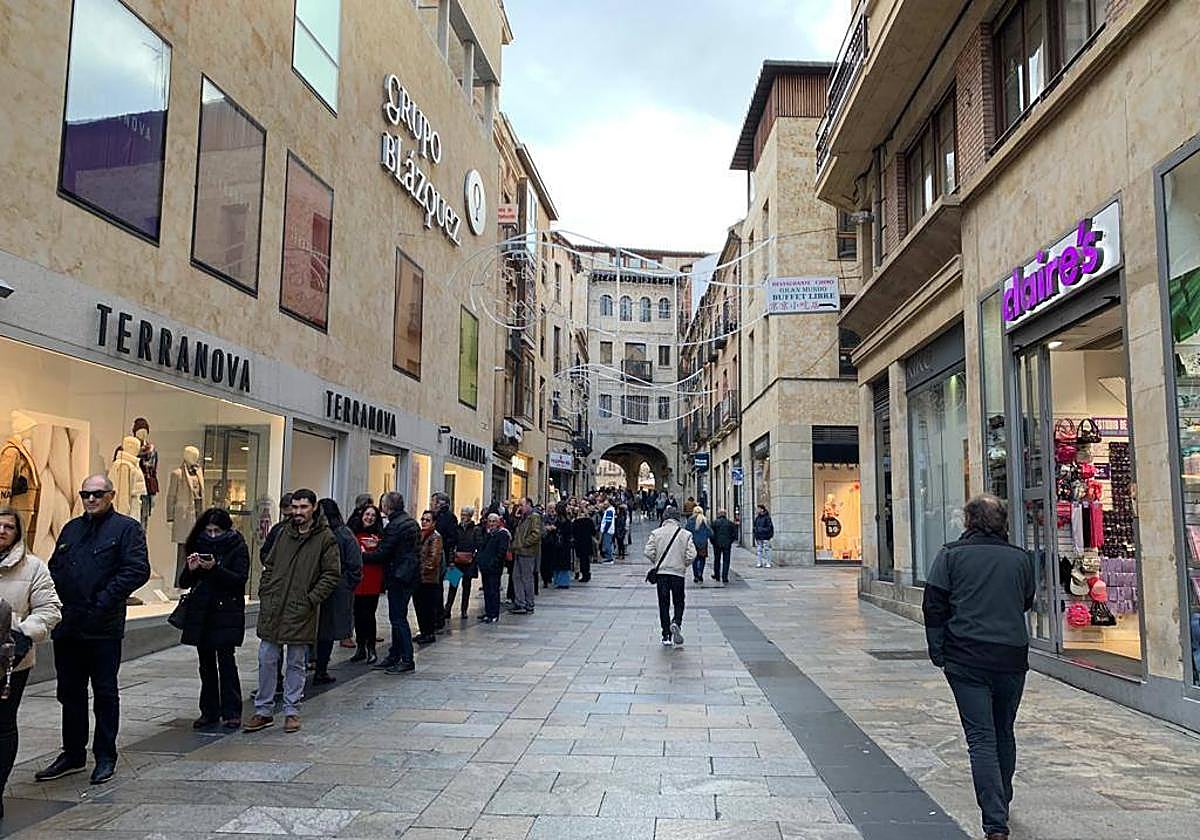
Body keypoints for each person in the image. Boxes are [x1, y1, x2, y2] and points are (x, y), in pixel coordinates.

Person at [923, 494, 1034, 840]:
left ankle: (995, 821)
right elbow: (1026, 601)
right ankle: (1002, 798)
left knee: (981, 738)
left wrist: (939, 651)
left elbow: (933, 607)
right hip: (1011, 657)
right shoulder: (1020, 559)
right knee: (1004, 731)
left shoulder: (951, 556)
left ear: (969, 521)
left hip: (966, 658)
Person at [38, 475, 149, 786]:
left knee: (104, 692)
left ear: (110, 495)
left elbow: (136, 569)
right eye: (85, 494)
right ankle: (73, 753)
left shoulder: (126, 528)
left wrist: (103, 601)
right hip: (69, 626)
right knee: (70, 692)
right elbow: (55, 567)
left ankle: (105, 754)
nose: (90, 499)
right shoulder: (72, 528)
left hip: (102, 627)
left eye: (97, 494)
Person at [243, 489, 340, 735]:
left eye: (303, 507)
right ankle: (263, 711)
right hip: (275, 605)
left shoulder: (325, 538)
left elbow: (331, 574)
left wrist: (311, 599)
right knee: (266, 658)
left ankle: (291, 711)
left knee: (296, 662)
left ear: (314, 507)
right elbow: (270, 562)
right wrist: (266, 589)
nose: (298, 512)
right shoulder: (284, 532)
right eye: (295, 507)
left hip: (300, 608)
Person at [0, 507, 61, 810]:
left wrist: (23, 633)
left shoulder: (33, 567)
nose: (1, 531)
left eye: (8, 526)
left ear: (18, 532)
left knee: (2, 725)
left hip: (10, 660)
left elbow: (50, 609)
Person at [177, 508, 249, 730]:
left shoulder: (237, 546)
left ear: (227, 529)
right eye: (209, 530)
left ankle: (232, 711)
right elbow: (185, 581)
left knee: (227, 661)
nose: (213, 535)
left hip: (227, 609)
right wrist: (192, 569)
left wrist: (215, 568)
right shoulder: (198, 544)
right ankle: (209, 710)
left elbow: (239, 579)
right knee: (205, 663)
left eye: (217, 530)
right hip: (203, 611)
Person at [313, 499, 362, 685]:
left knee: (325, 630)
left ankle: (320, 667)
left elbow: (355, 565)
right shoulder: (329, 533)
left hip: (333, 590)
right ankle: (318, 667)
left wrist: (346, 585)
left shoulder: (342, 534)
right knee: (320, 630)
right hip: (322, 588)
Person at [370, 492, 419, 674]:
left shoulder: (395, 525)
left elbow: (384, 553)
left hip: (398, 575)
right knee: (399, 617)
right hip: (408, 574)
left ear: (387, 506)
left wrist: (363, 555)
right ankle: (395, 654)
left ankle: (406, 658)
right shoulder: (410, 522)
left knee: (398, 619)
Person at [644, 507, 696, 648]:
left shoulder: (656, 533)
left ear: (665, 518)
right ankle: (676, 622)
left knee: (663, 603)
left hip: (662, 574)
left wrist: (657, 561)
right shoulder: (685, 534)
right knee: (679, 601)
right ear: (678, 518)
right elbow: (692, 554)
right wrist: (683, 563)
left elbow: (648, 551)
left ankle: (666, 634)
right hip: (678, 574)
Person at [347, 504, 384, 664]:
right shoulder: (354, 533)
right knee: (357, 614)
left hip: (372, 579)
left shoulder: (379, 536)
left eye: (372, 516)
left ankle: (371, 648)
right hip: (357, 579)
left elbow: (381, 556)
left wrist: (371, 551)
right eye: (367, 515)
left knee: (369, 615)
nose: (369, 518)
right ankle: (360, 647)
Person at [445, 506, 481, 621]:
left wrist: (474, 556)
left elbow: (478, 544)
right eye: (462, 514)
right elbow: (452, 545)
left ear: (470, 516)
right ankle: (448, 608)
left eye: (465, 514)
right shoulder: (457, 528)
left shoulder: (475, 529)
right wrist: (450, 560)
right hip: (456, 561)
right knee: (453, 585)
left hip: (469, 561)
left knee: (467, 586)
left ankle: (464, 609)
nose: (463, 516)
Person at [413, 511, 443, 643]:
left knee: (427, 607)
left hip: (428, 579)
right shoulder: (421, 535)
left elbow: (433, 558)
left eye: (428, 520)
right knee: (419, 606)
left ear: (434, 523)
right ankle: (423, 631)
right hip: (419, 578)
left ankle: (429, 633)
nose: (424, 522)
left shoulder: (435, 537)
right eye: (423, 519)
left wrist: (422, 571)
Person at [509, 497, 542, 615]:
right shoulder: (523, 518)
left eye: (521, 505)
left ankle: (528, 604)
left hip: (527, 553)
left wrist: (524, 544)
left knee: (527, 578)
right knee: (516, 577)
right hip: (519, 551)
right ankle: (520, 602)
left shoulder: (534, 517)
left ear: (528, 505)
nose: (520, 507)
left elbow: (536, 534)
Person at [476, 513, 510, 623]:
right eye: (489, 521)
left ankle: (494, 613)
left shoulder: (502, 534)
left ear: (498, 522)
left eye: (494, 521)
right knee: (487, 590)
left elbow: (501, 551)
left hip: (494, 568)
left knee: (493, 590)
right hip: (485, 567)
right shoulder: (487, 533)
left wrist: (494, 562)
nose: (491, 524)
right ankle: (488, 612)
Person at [260, 492, 294, 563]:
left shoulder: (304, 530)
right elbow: (265, 552)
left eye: (290, 516)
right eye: (285, 515)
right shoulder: (277, 529)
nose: (287, 519)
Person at [710, 509, 737, 585]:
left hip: (717, 544)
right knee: (726, 561)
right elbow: (734, 534)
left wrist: (713, 542)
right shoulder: (730, 523)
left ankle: (717, 576)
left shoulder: (714, 523)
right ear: (725, 515)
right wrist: (730, 541)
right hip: (727, 544)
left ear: (719, 515)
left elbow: (711, 534)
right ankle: (725, 577)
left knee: (717, 560)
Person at [685, 507, 712, 584]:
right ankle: (700, 573)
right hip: (703, 543)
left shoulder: (690, 521)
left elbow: (687, 531)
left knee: (695, 560)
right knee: (702, 559)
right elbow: (710, 532)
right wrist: (705, 537)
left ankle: (696, 575)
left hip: (694, 543)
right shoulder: (705, 521)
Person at [571, 504, 596, 583]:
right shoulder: (589, 521)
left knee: (582, 560)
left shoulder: (576, 522)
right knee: (586, 560)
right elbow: (593, 532)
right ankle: (587, 574)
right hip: (587, 543)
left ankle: (584, 574)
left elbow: (573, 532)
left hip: (579, 543)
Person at [599, 499, 615, 563]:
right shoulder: (609, 510)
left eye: (605, 504)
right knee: (607, 544)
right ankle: (609, 557)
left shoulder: (609, 511)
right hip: (609, 530)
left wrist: (605, 530)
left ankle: (609, 558)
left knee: (607, 544)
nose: (604, 505)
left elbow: (608, 522)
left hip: (608, 531)